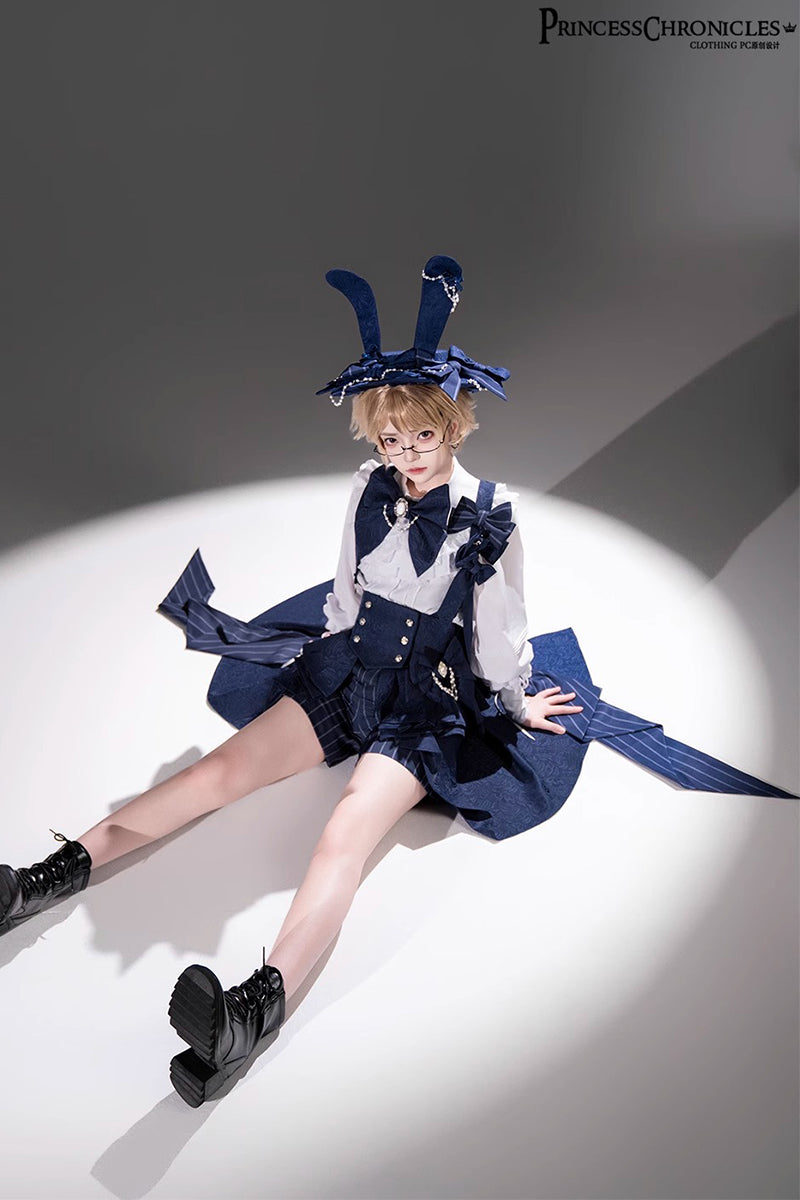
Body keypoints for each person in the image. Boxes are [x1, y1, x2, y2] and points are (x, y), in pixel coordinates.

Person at [0, 256, 793, 1108]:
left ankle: (251, 1011)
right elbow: (345, 593)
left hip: (423, 706)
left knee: (345, 831)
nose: (406, 455)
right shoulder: (367, 491)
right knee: (218, 773)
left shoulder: (489, 516)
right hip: (349, 674)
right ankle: (43, 878)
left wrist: (515, 699)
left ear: (453, 425)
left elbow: (499, 628)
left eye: (421, 437)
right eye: (390, 440)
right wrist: (311, 659)